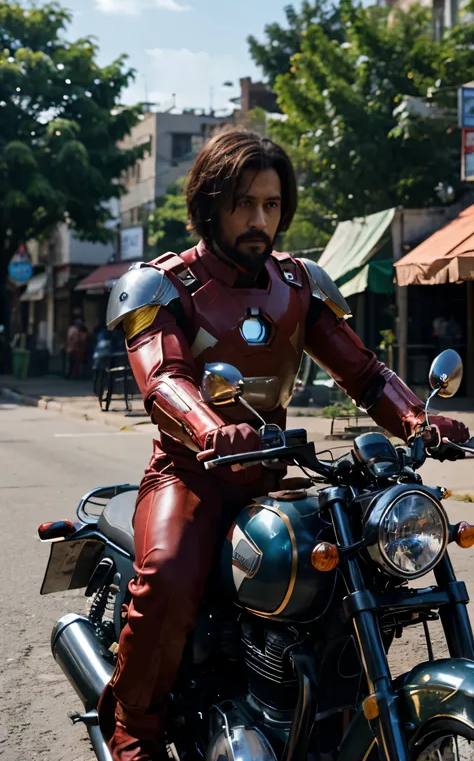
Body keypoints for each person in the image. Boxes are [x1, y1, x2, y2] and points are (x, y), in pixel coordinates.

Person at [101, 129, 469, 761]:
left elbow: (365, 373)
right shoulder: (163, 286)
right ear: (210, 204)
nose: (260, 219)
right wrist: (212, 429)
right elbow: (165, 378)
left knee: (360, 557)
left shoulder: (300, 284)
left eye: (271, 205)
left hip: (275, 470)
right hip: (193, 471)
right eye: (245, 203)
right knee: (167, 577)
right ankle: (134, 730)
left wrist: (416, 420)